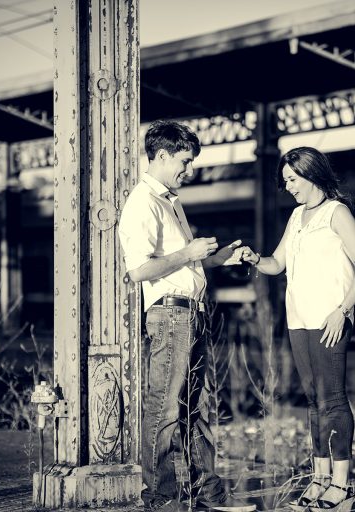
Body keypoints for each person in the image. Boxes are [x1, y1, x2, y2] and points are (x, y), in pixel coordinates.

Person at [118, 120, 256, 512]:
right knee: (164, 408)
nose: (189, 169)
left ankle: (206, 495)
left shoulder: (170, 201)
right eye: (184, 160)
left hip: (190, 315)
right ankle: (160, 497)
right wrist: (190, 253)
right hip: (170, 317)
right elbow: (139, 270)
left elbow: (180, 267)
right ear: (161, 155)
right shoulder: (142, 203)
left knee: (198, 411)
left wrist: (216, 259)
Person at [242, 147, 355, 512]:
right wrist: (255, 258)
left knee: (332, 399)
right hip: (299, 319)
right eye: (284, 181)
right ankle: (319, 479)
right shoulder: (297, 217)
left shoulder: (337, 213)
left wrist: (343, 310)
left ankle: (341, 485)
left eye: (292, 180)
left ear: (310, 173)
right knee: (314, 401)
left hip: (329, 319)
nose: (288, 187)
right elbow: (277, 263)